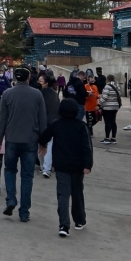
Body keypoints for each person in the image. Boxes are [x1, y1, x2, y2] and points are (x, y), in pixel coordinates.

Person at [0, 67, 48, 222]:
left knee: (10, 170)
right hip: (30, 140)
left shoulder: (7, 94)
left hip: (11, 139)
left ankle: (11, 200)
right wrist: (43, 142)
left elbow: (2, 120)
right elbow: (42, 120)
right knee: (27, 176)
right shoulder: (37, 94)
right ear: (29, 77)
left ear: (16, 78)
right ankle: (24, 212)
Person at [39, 99, 93, 237]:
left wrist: (43, 145)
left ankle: (64, 225)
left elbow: (44, 136)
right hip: (78, 165)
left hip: (61, 164)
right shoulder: (82, 126)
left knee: (63, 195)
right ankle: (79, 220)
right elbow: (87, 147)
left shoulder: (56, 124)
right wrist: (88, 164)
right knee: (77, 192)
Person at [38, 71, 61, 178]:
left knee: (41, 145)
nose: (39, 82)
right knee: (49, 145)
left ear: (46, 83)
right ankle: (46, 168)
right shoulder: (54, 94)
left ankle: (44, 167)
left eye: (41, 81)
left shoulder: (40, 94)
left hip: (43, 123)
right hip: (53, 122)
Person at [97, 74, 122, 144]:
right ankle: (113, 138)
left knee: (107, 122)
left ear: (107, 79)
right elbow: (119, 94)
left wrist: (99, 104)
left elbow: (104, 97)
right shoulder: (117, 86)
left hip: (107, 107)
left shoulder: (107, 86)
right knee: (113, 122)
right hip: (115, 107)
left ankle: (107, 138)